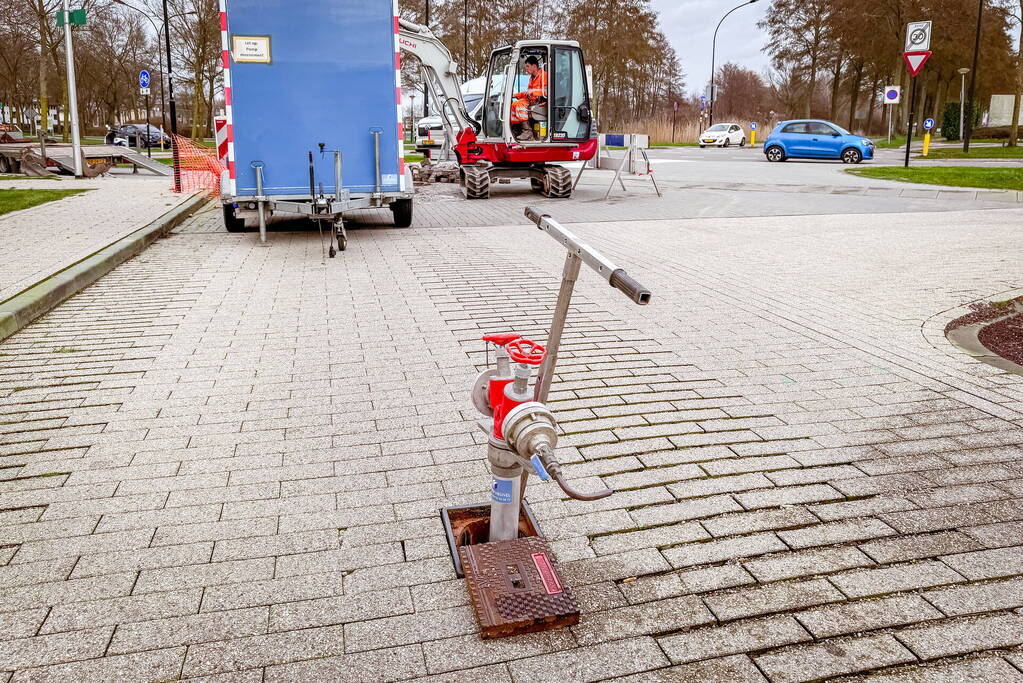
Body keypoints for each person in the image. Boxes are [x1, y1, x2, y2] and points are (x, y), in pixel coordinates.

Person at [510, 55, 547, 141]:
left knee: (520, 104)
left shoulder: (544, 76)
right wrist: (516, 95)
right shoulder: (531, 78)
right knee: (513, 105)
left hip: (540, 102)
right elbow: (527, 93)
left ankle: (527, 132)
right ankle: (517, 130)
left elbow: (547, 91)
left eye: (527, 66)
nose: (526, 68)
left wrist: (533, 91)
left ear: (534, 66)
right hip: (531, 100)